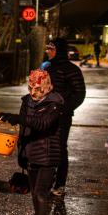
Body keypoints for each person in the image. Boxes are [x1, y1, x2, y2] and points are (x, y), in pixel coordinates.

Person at [0, 70, 64, 215]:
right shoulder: (27, 101)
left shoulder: (55, 103)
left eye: (38, 88)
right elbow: (25, 129)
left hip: (47, 155)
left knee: (40, 194)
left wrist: (19, 118)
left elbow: (43, 124)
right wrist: (22, 154)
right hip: (31, 154)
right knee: (35, 195)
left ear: (47, 87)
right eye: (31, 88)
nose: (34, 92)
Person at [41, 37, 86, 195]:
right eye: (47, 48)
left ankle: (60, 184)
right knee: (46, 148)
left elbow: (79, 94)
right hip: (46, 115)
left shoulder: (72, 70)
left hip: (62, 117)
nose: (47, 51)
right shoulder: (48, 68)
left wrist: (63, 109)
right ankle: (47, 181)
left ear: (58, 51)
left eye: (50, 49)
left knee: (59, 148)